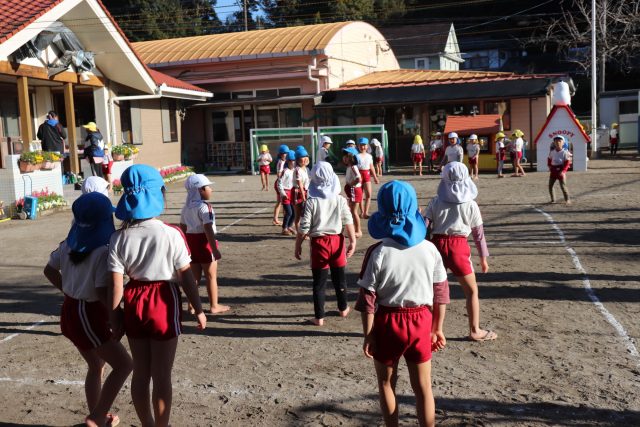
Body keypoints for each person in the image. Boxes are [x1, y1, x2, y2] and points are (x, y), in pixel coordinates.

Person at [108, 164, 207, 427]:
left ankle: (147, 424)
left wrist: (115, 317)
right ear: (157, 195)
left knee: (141, 372)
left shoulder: (118, 237)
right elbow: (186, 276)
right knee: (162, 375)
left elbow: (115, 285)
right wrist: (198, 308)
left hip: (134, 299)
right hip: (164, 300)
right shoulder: (171, 233)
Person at [356, 180, 449, 427]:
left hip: (388, 322)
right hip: (421, 320)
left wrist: (368, 334)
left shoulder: (377, 252)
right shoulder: (430, 249)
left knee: (386, 383)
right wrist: (437, 328)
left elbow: (367, 299)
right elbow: (441, 292)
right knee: (424, 387)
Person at [44, 192, 132, 427]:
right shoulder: (102, 251)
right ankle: (96, 417)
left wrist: (69, 290)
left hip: (73, 309)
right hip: (88, 314)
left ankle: (98, 415)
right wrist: (117, 317)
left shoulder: (68, 244)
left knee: (96, 365)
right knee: (124, 365)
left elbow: (49, 270)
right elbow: (103, 292)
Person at [423, 162, 497, 342]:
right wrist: (483, 258)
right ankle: (475, 330)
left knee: (435, 292)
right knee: (471, 291)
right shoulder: (471, 205)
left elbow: (424, 226)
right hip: (459, 247)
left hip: (436, 246)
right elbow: (479, 235)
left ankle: (432, 331)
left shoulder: (435, 201)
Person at [295, 162, 356, 326]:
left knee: (319, 283)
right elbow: (348, 220)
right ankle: (343, 308)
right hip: (337, 241)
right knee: (340, 279)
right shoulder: (340, 200)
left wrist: (298, 244)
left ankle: (319, 317)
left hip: (319, 244)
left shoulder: (311, 201)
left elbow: (304, 226)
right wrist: (353, 240)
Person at [181, 174, 230, 314]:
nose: (211, 190)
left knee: (194, 278)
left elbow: (182, 227)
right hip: (204, 243)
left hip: (190, 242)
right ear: (200, 190)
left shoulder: (186, 208)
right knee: (211, 276)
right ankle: (214, 305)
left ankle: (191, 306)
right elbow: (208, 228)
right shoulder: (205, 207)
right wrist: (214, 249)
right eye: (208, 187)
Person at [356, 137, 379, 218]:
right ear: (358, 146)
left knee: (368, 194)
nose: (363, 147)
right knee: (360, 195)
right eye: (361, 145)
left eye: (364, 145)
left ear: (367, 146)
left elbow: (371, 167)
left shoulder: (369, 156)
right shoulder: (356, 156)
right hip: (358, 175)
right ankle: (362, 212)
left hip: (367, 174)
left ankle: (366, 212)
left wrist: (375, 177)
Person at [343, 147, 363, 238]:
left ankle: (358, 230)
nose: (344, 158)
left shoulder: (353, 167)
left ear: (351, 157)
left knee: (354, 211)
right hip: (352, 190)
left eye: (346, 156)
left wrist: (351, 184)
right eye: (344, 156)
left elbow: (359, 178)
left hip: (354, 190)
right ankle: (354, 229)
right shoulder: (349, 167)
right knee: (351, 211)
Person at [548, 135, 572, 204]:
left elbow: (567, 163)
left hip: (560, 170)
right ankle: (553, 200)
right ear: (554, 143)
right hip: (553, 170)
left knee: (563, 186)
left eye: (559, 141)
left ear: (563, 143)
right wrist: (549, 166)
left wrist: (563, 171)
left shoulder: (565, 152)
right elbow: (549, 159)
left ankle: (567, 199)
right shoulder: (552, 152)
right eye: (556, 141)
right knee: (550, 186)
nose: (558, 142)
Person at [278, 150, 297, 235]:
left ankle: (289, 226)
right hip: (286, 194)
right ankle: (284, 228)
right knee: (289, 212)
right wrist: (283, 194)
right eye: (291, 160)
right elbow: (279, 183)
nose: (293, 162)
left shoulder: (295, 170)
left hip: (293, 194)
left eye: (294, 160)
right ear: (287, 161)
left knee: (294, 213)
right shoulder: (285, 171)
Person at [293, 145, 310, 233]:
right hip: (298, 192)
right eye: (302, 157)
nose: (305, 159)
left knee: (305, 214)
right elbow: (300, 184)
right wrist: (303, 196)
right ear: (297, 159)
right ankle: (299, 233)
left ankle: (304, 232)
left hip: (305, 191)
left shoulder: (306, 169)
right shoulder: (297, 170)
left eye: (306, 157)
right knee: (298, 214)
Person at [272, 144, 289, 225]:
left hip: (281, 183)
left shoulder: (285, 161)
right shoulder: (281, 162)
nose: (286, 155)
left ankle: (276, 219)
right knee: (283, 202)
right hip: (280, 184)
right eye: (284, 153)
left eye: (286, 153)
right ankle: (279, 219)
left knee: (280, 202)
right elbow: (278, 174)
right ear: (281, 154)